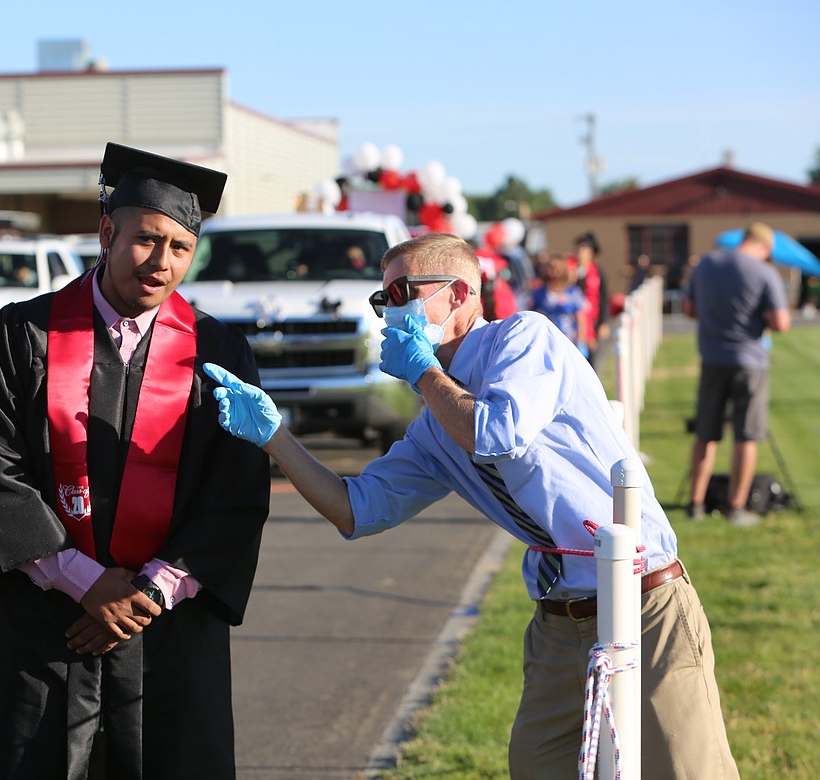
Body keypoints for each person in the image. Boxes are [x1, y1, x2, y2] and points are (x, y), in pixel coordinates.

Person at [204, 232, 739, 779]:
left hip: (645, 599)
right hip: (560, 623)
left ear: (460, 295)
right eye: (381, 299)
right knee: (538, 768)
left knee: (687, 770)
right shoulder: (435, 426)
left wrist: (423, 373)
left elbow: (495, 431)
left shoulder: (524, 337)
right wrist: (275, 438)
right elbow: (354, 509)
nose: (390, 311)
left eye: (403, 291)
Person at [0, 142, 270, 779]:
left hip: (169, 628)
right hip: (52, 623)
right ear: (106, 231)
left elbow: (235, 492)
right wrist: (84, 581)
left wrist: (146, 592)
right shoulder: (23, 336)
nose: (161, 263)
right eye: (146, 240)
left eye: (180, 248)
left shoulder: (219, 351)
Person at [683, 221, 791, 526]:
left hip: (712, 357)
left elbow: (690, 310)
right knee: (746, 435)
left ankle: (696, 503)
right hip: (750, 361)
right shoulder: (764, 272)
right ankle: (736, 506)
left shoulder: (706, 264)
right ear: (765, 248)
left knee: (706, 434)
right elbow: (781, 322)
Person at [528, 255, 589, 357]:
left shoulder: (573, 292)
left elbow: (580, 318)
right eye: (551, 268)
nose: (554, 271)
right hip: (546, 341)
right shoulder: (539, 293)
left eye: (558, 268)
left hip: (569, 340)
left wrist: (581, 342)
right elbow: (531, 314)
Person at [568, 232, 610, 365]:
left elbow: (604, 297)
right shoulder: (570, 270)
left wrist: (603, 322)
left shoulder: (597, 271)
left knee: (591, 360)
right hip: (572, 323)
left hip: (592, 321)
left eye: (584, 249)